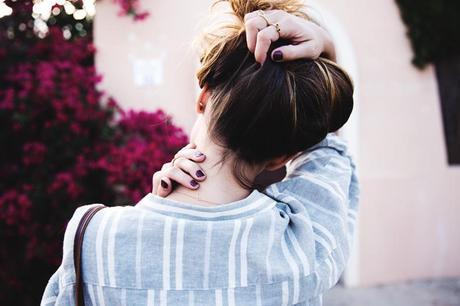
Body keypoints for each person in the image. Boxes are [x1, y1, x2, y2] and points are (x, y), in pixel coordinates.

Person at [41, 0, 359, 305]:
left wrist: (152, 211)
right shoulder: (306, 243)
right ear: (281, 156)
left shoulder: (94, 239)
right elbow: (327, 147)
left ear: (203, 98)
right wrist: (326, 47)